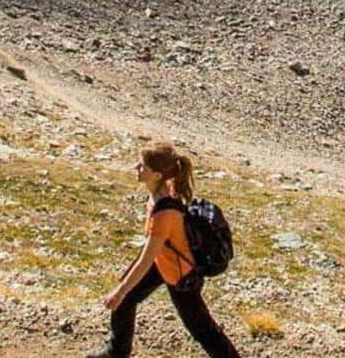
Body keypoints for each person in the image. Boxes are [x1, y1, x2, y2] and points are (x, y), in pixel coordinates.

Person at [91, 141, 240, 358]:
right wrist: (123, 292)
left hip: (181, 275)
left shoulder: (165, 214)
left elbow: (146, 259)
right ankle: (116, 353)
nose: (137, 168)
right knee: (125, 301)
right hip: (164, 263)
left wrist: (119, 291)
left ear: (158, 175)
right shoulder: (162, 193)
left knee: (202, 329)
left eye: (143, 166)